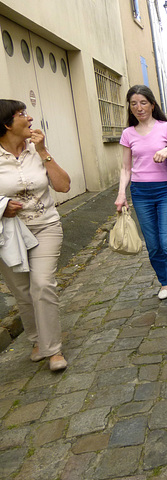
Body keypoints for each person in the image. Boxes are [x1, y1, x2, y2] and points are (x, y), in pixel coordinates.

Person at [0, 99, 71, 371]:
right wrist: (3, 205)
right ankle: (37, 340)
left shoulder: (36, 150)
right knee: (22, 291)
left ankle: (53, 350)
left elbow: (64, 186)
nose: (29, 118)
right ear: (7, 124)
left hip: (45, 226)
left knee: (41, 284)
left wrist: (43, 152)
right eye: (21, 114)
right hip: (9, 234)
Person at [115, 85, 167, 311]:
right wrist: (121, 194)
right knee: (153, 245)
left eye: (143, 102)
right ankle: (164, 281)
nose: (139, 107)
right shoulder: (128, 134)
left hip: (165, 191)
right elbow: (126, 168)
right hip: (140, 192)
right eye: (134, 103)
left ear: (152, 104)